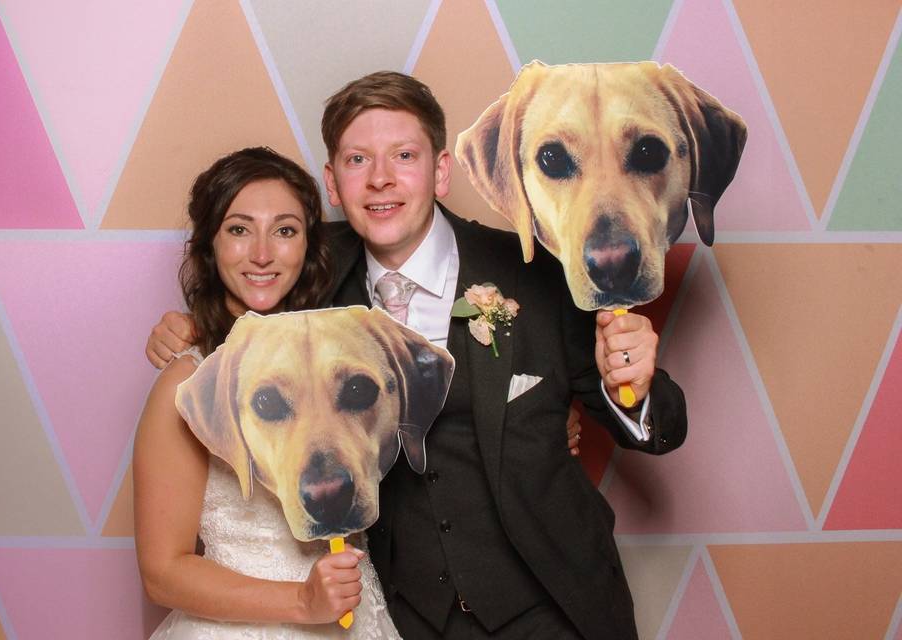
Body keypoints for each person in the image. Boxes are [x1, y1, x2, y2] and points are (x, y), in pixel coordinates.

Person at [148, 72, 687, 640]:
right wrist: (191, 327)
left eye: (404, 155)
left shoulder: (535, 274)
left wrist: (638, 384)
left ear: (441, 170)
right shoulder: (313, 280)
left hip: (550, 602)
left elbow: (653, 428)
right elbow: (249, 281)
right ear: (333, 183)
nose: (381, 179)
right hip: (407, 616)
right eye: (358, 160)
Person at [133, 146, 401, 638]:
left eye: (284, 230)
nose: (261, 253)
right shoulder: (188, 379)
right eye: (238, 229)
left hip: (357, 619)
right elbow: (162, 571)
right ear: (208, 245)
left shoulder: (343, 353)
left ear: (309, 246)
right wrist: (301, 602)